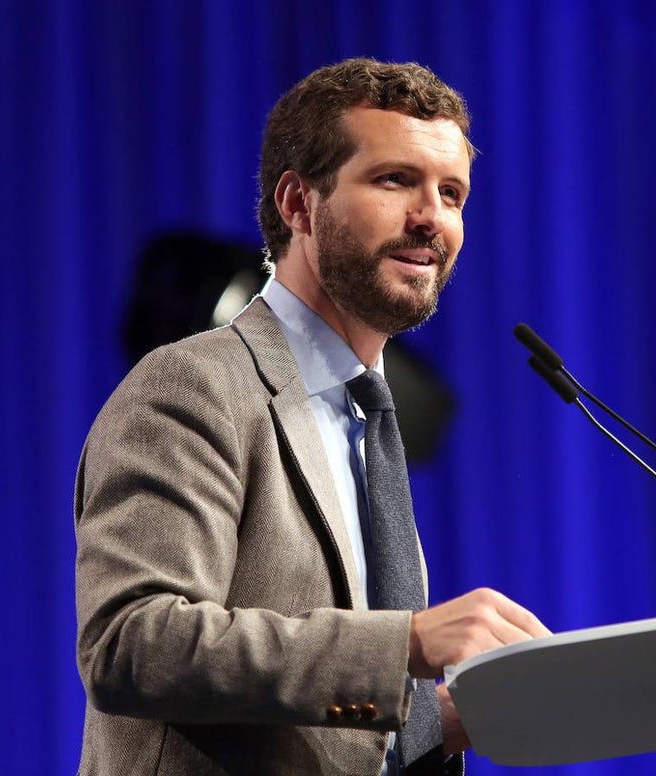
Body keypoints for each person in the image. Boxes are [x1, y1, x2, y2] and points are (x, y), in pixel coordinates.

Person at [74, 58, 551, 776]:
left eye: (451, 193)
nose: (433, 218)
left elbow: (322, 707)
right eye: (395, 180)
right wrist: (406, 645)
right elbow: (133, 643)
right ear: (298, 204)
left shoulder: (371, 423)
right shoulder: (194, 386)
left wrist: (432, 722)